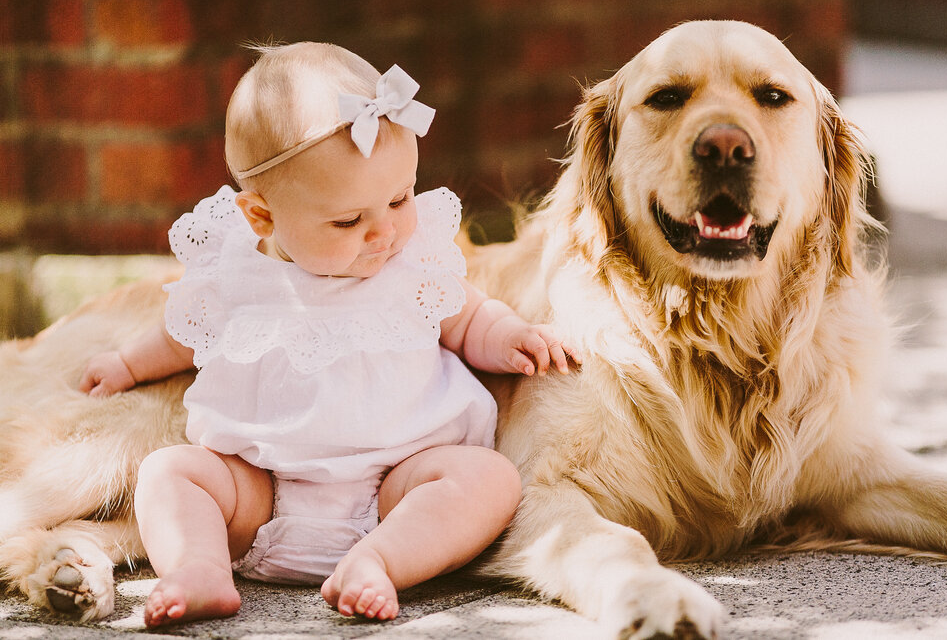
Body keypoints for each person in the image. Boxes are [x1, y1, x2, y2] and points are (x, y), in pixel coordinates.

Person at [79, 42, 578, 628]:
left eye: (398, 198)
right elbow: (184, 333)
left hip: (397, 488)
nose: (384, 231)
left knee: (488, 480)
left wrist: (512, 334)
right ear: (261, 217)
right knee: (170, 472)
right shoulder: (237, 271)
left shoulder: (412, 263)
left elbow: (466, 318)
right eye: (348, 221)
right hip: (259, 495)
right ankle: (199, 567)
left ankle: (380, 563)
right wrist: (126, 364)